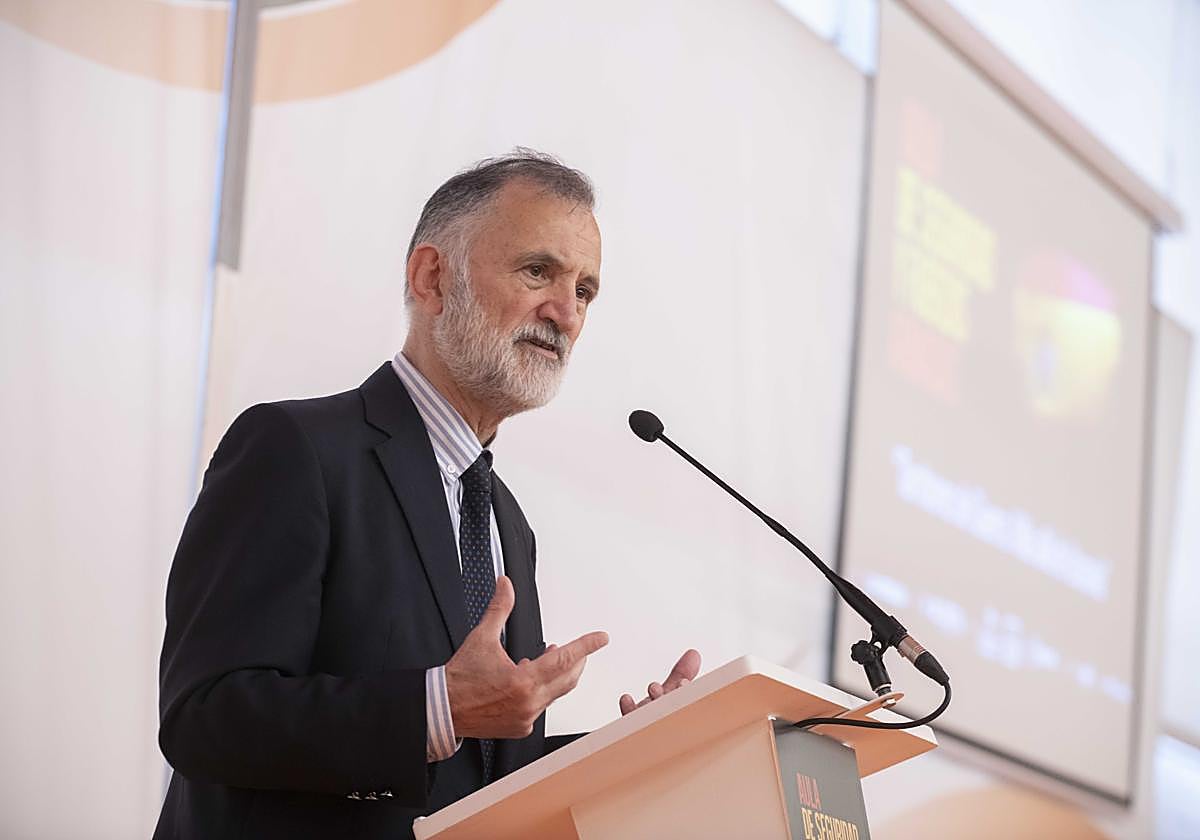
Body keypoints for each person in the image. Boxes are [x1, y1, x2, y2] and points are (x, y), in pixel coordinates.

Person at [153, 150, 701, 839]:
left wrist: (635, 751)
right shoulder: (296, 450)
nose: (565, 313)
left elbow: (483, 778)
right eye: (538, 271)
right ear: (432, 276)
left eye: (586, 291)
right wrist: (437, 707)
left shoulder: (506, 519)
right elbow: (205, 715)